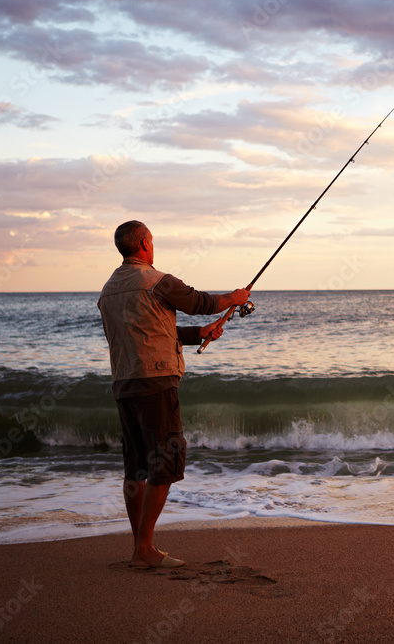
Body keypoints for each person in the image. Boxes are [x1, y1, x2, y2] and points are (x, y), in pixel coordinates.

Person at [98, 220, 250, 568]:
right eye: (152, 240)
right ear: (145, 243)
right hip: (157, 383)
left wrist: (200, 333)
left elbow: (150, 331)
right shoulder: (156, 280)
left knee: (135, 468)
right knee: (163, 466)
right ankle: (145, 550)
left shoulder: (108, 290)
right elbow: (200, 301)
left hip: (124, 384)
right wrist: (235, 298)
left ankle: (140, 545)